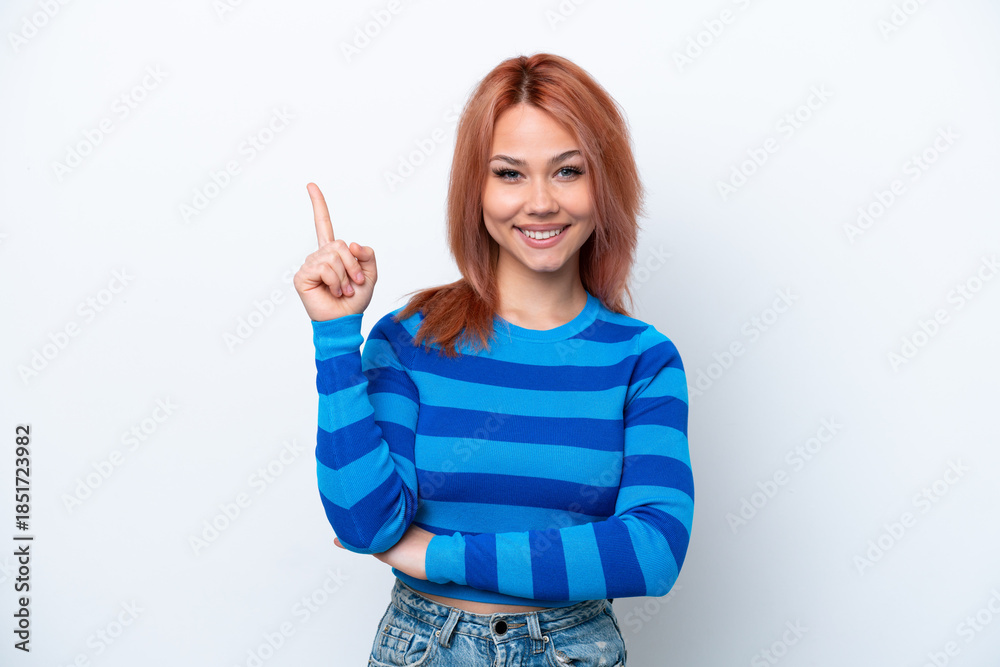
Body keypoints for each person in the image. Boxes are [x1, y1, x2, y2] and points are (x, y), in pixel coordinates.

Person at [293, 52, 693, 667]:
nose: (540, 202)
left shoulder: (642, 360)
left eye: (567, 171)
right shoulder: (410, 341)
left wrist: (437, 555)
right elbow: (364, 525)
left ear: (603, 184)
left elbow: (652, 552)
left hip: (572, 650)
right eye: (509, 173)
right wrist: (336, 337)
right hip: (423, 649)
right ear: (475, 189)